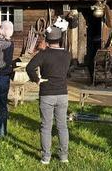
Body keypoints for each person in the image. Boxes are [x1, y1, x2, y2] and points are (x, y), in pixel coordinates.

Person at [26, 17, 71, 165]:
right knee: (62, 126)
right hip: (62, 93)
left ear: (47, 39)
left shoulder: (43, 54)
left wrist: (37, 79)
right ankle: (64, 156)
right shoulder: (67, 54)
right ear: (60, 38)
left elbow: (29, 67)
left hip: (47, 93)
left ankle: (46, 157)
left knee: (46, 126)